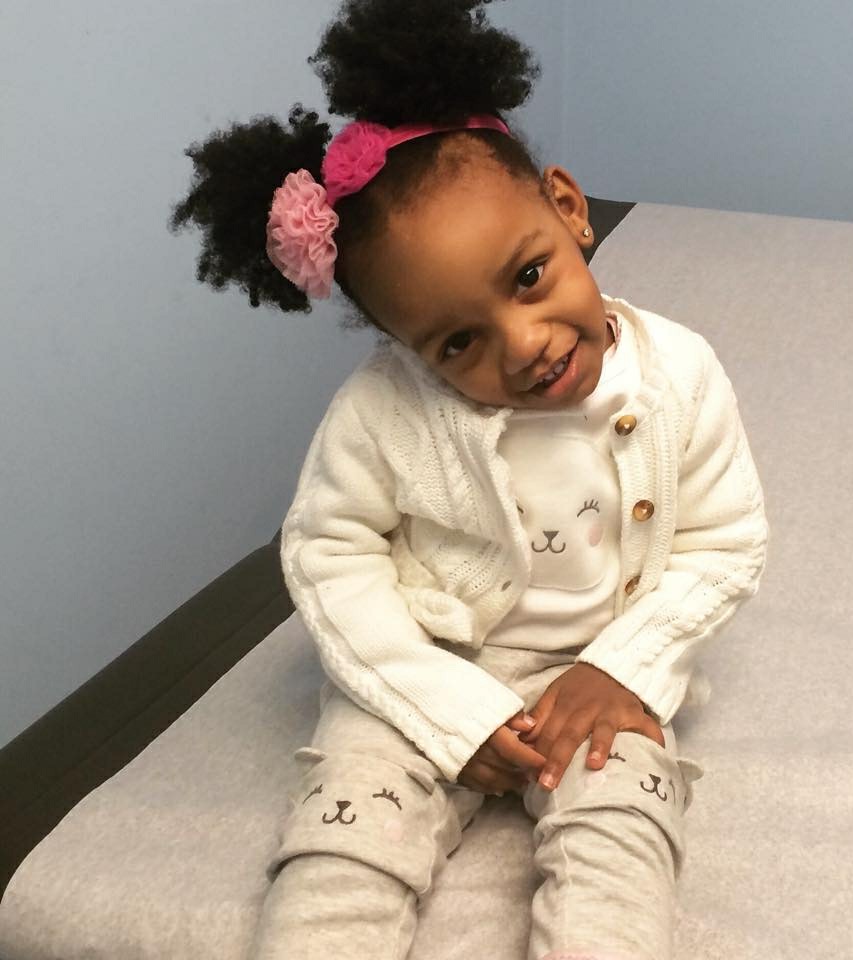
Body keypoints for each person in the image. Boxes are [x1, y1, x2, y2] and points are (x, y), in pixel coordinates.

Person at [169, 2, 769, 957]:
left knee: (624, 828)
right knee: (344, 837)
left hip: (602, 665)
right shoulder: (382, 412)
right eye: (457, 342)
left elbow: (723, 543)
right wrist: (444, 709)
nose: (523, 346)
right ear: (407, 347)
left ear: (567, 209)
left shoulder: (680, 375)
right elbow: (329, 553)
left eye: (528, 277)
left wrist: (623, 668)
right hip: (433, 659)